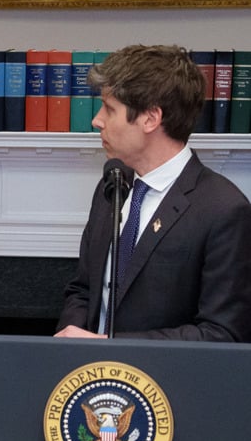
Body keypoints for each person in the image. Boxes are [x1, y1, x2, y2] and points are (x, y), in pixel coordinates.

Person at [55, 44, 251, 341]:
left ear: (150, 119)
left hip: (167, 384)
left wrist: (114, 347)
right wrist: (70, 343)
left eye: (109, 109)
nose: (97, 120)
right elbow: (83, 289)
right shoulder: (113, 185)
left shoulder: (223, 209)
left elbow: (222, 333)